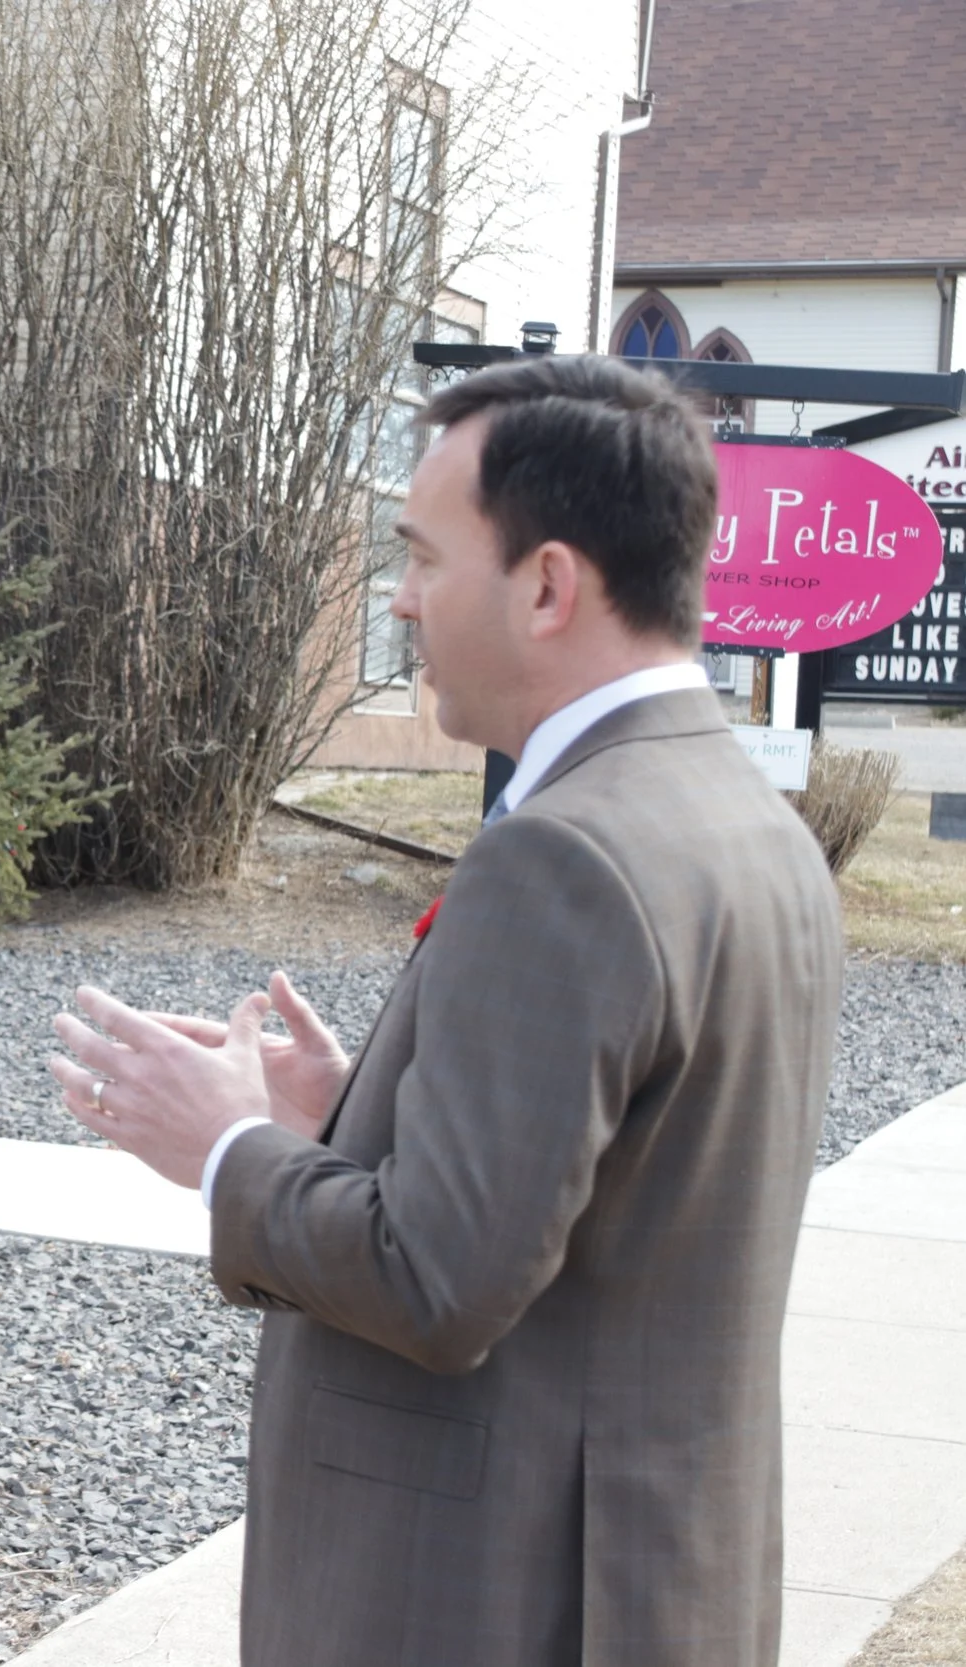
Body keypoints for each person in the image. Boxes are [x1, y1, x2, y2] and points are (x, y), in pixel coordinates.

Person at [48, 355, 843, 1666]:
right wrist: (357, 1113)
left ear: (547, 584)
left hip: (493, 1597)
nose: (400, 596)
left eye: (422, 555)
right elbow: (620, 1185)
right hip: (649, 1577)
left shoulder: (565, 853)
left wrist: (229, 1148)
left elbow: (436, 1279)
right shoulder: (747, 825)